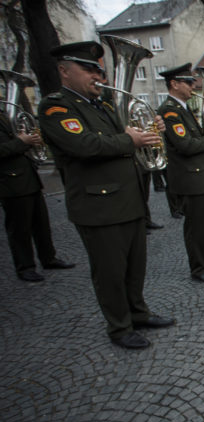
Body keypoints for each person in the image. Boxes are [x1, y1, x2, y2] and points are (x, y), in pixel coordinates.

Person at [38, 41, 174, 349]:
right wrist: (131, 139)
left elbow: (127, 137)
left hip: (128, 199)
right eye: (87, 70)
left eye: (98, 70)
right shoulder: (56, 107)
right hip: (97, 204)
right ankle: (119, 326)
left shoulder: (106, 106)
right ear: (64, 71)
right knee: (110, 271)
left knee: (134, 266)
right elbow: (84, 145)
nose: (96, 76)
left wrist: (151, 130)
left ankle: (138, 313)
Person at [158, 63, 204, 283]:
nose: (193, 86)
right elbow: (185, 145)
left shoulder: (183, 109)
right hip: (190, 178)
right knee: (196, 227)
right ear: (174, 84)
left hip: (200, 177)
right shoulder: (169, 111)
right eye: (188, 82)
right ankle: (198, 268)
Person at [1, 109, 75, 282]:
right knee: (19, 228)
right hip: (10, 181)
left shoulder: (5, 114)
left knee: (41, 223)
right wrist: (22, 142)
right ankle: (25, 266)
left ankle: (48, 257)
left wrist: (32, 140)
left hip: (28, 177)